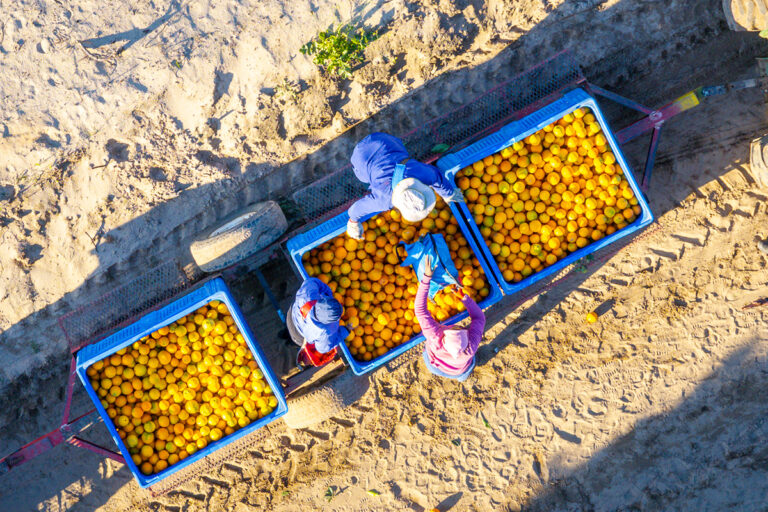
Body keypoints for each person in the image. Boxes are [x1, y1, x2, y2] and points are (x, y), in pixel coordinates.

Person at [346, 132, 463, 240]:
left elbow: (438, 178)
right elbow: (358, 209)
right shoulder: (385, 200)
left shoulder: (421, 173)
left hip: (385, 141)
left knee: (400, 153)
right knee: (363, 177)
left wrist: (450, 194)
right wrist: (352, 223)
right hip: (362, 156)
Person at [414, 257, 485, 381]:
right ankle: (461, 378)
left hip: (436, 366)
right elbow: (479, 318)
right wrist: (464, 298)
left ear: (444, 337)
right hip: (459, 369)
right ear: (468, 338)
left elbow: (420, 309)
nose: (453, 326)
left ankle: (456, 375)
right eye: (459, 328)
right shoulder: (471, 347)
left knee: (428, 357)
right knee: (465, 371)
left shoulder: (435, 337)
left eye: (452, 328)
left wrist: (426, 279)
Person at [286, 278, 348, 355]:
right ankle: (291, 342)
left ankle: (285, 333)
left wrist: (327, 293)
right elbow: (322, 349)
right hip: (298, 336)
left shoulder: (308, 295)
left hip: (291, 315)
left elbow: (311, 281)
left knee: (287, 330)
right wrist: (346, 330)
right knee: (294, 340)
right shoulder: (327, 330)